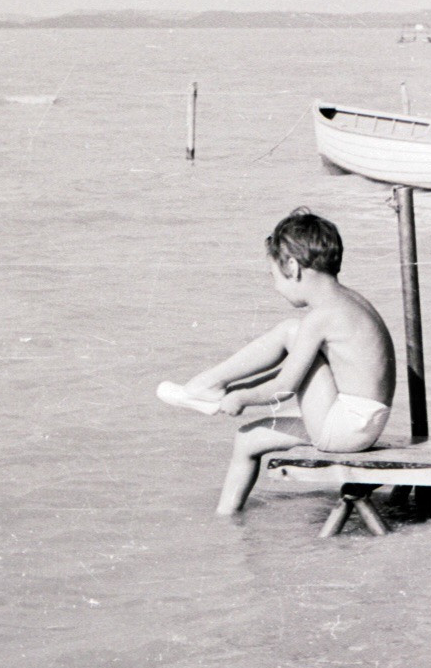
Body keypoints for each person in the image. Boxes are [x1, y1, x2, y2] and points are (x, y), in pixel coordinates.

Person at [157, 208, 396, 517]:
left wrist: (242, 398)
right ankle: (225, 519)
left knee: (290, 330)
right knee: (247, 440)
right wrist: (242, 392)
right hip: (359, 424)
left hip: (344, 428)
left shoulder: (321, 318)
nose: (275, 287)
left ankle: (208, 385)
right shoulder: (350, 302)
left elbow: (284, 387)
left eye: (274, 277)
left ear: (293, 268)